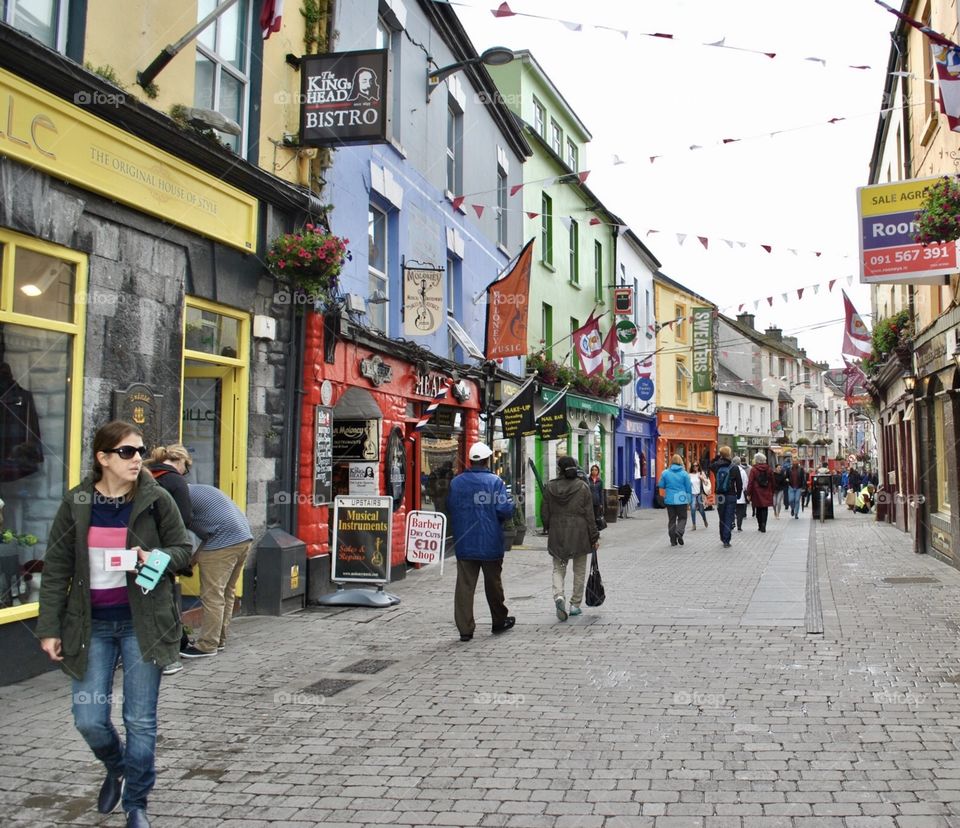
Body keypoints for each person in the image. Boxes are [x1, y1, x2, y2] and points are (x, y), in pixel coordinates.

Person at [37, 421, 192, 828]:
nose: (137, 458)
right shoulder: (77, 502)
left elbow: (183, 550)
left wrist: (155, 557)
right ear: (103, 458)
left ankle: (136, 803)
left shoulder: (156, 499)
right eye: (126, 452)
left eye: (140, 450)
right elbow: (56, 569)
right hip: (90, 626)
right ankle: (118, 767)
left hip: (143, 624)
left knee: (140, 720)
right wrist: (49, 628)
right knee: (88, 718)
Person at [448, 442, 514, 641]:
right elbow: (504, 510)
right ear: (486, 461)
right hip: (490, 541)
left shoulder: (456, 483)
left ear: (470, 460)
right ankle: (499, 620)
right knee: (493, 584)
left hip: (464, 541)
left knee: (464, 586)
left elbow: (449, 507)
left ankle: (465, 629)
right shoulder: (495, 482)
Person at [179, 484, 254, 658]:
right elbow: (211, 532)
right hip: (243, 538)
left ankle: (207, 645)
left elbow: (181, 529)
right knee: (226, 593)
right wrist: (193, 560)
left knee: (212, 596)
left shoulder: (179, 497)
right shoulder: (199, 490)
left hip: (222, 542)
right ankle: (219, 640)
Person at [145, 444, 193, 677]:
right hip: (161, 550)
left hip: (136, 545)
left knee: (141, 592)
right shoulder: (175, 481)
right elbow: (184, 518)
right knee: (162, 598)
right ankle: (171, 654)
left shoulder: (144, 474)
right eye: (187, 467)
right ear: (180, 462)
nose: (186, 472)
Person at [542, 456, 599, 620]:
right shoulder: (582, 487)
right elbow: (590, 515)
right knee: (579, 570)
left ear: (559, 469)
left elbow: (544, 512)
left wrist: (549, 526)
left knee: (558, 568)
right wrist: (594, 536)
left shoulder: (550, 487)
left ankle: (559, 595)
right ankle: (575, 605)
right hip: (580, 534)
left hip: (558, 533)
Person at [710, 446, 742, 549]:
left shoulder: (716, 466)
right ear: (729, 454)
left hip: (720, 495)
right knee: (729, 517)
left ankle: (722, 537)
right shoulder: (734, 467)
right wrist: (739, 494)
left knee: (722, 517)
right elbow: (739, 483)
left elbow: (709, 465)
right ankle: (726, 540)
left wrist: (717, 457)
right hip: (731, 495)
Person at [656, 454, 692, 547]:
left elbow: (661, 485)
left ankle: (673, 540)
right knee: (682, 518)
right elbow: (688, 488)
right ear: (681, 462)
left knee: (672, 520)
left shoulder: (665, 473)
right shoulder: (685, 474)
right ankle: (679, 532)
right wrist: (689, 500)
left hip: (670, 500)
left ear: (671, 461)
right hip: (681, 500)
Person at [746, 452, 775, 533]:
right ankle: (763, 524)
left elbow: (750, 482)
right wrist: (773, 490)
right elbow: (773, 480)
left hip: (757, 491)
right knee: (765, 508)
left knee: (758, 508)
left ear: (757, 460)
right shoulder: (769, 469)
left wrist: (749, 493)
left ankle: (760, 525)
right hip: (767, 490)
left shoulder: (754, 469)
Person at [688, 461, 709, 531]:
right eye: (694, 466)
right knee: (693, 509)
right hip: (692, 494)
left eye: (696, 465)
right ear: (692, 467)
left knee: (701, 510)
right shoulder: (689, 475)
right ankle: (694, 525)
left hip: (699, 494)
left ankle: (705, 520)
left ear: (698, 466)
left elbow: (706, 483)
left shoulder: (701, 473)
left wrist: (702, 478)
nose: (695, 467)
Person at [732, 456, 749, 531]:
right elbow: (746, 483)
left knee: (732, 510)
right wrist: (744, 490)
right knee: (740, 511)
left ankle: (732, 522)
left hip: (732, 493)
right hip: (741, 494)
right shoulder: (743, 471)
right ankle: (739, 526)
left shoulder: (731, 470)